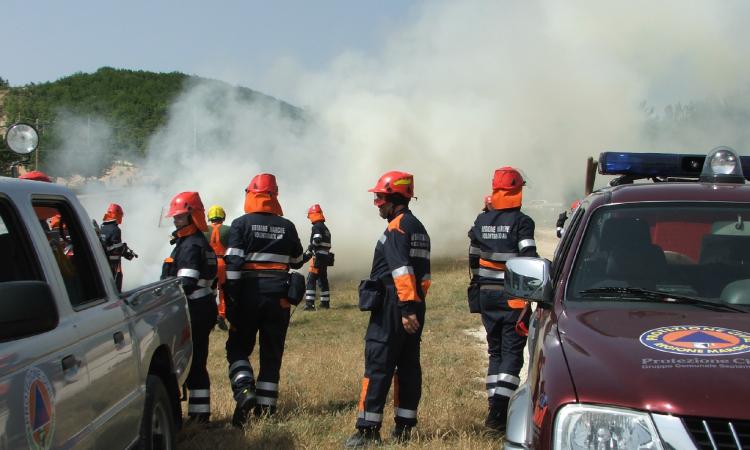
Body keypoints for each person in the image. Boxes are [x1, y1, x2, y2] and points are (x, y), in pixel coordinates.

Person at [345, 171, 431, 447]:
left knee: (378, 365)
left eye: (380, 198)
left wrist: (405, 308)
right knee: (407, 367)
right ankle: (404, 429)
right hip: (413, 303)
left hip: (394, 307)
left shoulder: (397, 228)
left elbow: (401, 271)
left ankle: (368, 432)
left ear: (395, 198)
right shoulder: (419, 228)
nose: (377, 204)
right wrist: (415, 306)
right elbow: (424, 277)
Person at [223, 173, 304, 427]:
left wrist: (232, 300)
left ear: (251, 195)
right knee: (271, 353)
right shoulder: (288, 226)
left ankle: (245, 390)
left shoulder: (240, 224)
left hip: (248, 295)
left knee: (237, 348)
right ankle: (266, 411)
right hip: (279, 299)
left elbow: (233, 265)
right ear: (274, 196)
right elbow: (297, 260)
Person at [467, 167, 537, 432]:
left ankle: (493, 405)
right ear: (518, 190)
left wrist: (484, 281)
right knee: (511, 355)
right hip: (513, 299)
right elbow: (529, 259)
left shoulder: (481, 221)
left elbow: (473, 257)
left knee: (495, 352)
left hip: (486, 296)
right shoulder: (522, 222)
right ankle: (498, 414)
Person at [161, 192, 218, 423]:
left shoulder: (191, 245)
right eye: (174, 217)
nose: (175, 220)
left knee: (194, 362)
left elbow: (185, 283)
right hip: (200, 307)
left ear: (193, 216)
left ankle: (199, 416)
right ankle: (199, 413)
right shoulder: (191, 241)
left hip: (195, 309)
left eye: (180, 217)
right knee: (196, 361)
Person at [204, 205, 231, 331]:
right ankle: (221, 314)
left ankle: (209, 316)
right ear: (223, 216)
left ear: (209, 217)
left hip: (207, 263)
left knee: (208, 291)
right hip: (222, 262)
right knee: (223, 291)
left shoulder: (203, 230)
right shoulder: (228, 230)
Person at [302, 203, 332, 310]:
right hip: (325, 258)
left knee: (311, 279)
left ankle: (310, 305)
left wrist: (310, 248)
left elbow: (317, 239)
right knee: (323, 279)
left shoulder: (316, 227)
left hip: (318, 258)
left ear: (313, 215)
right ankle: (325, 303)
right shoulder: (326, 229)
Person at [101, 203, 137, 291]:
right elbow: (116, 248)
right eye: (121, 215)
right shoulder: (115, 229)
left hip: (104, 262)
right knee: (116, 282)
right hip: (114, 264)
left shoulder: (103, 227)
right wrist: (125, 251)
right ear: (117, 215)